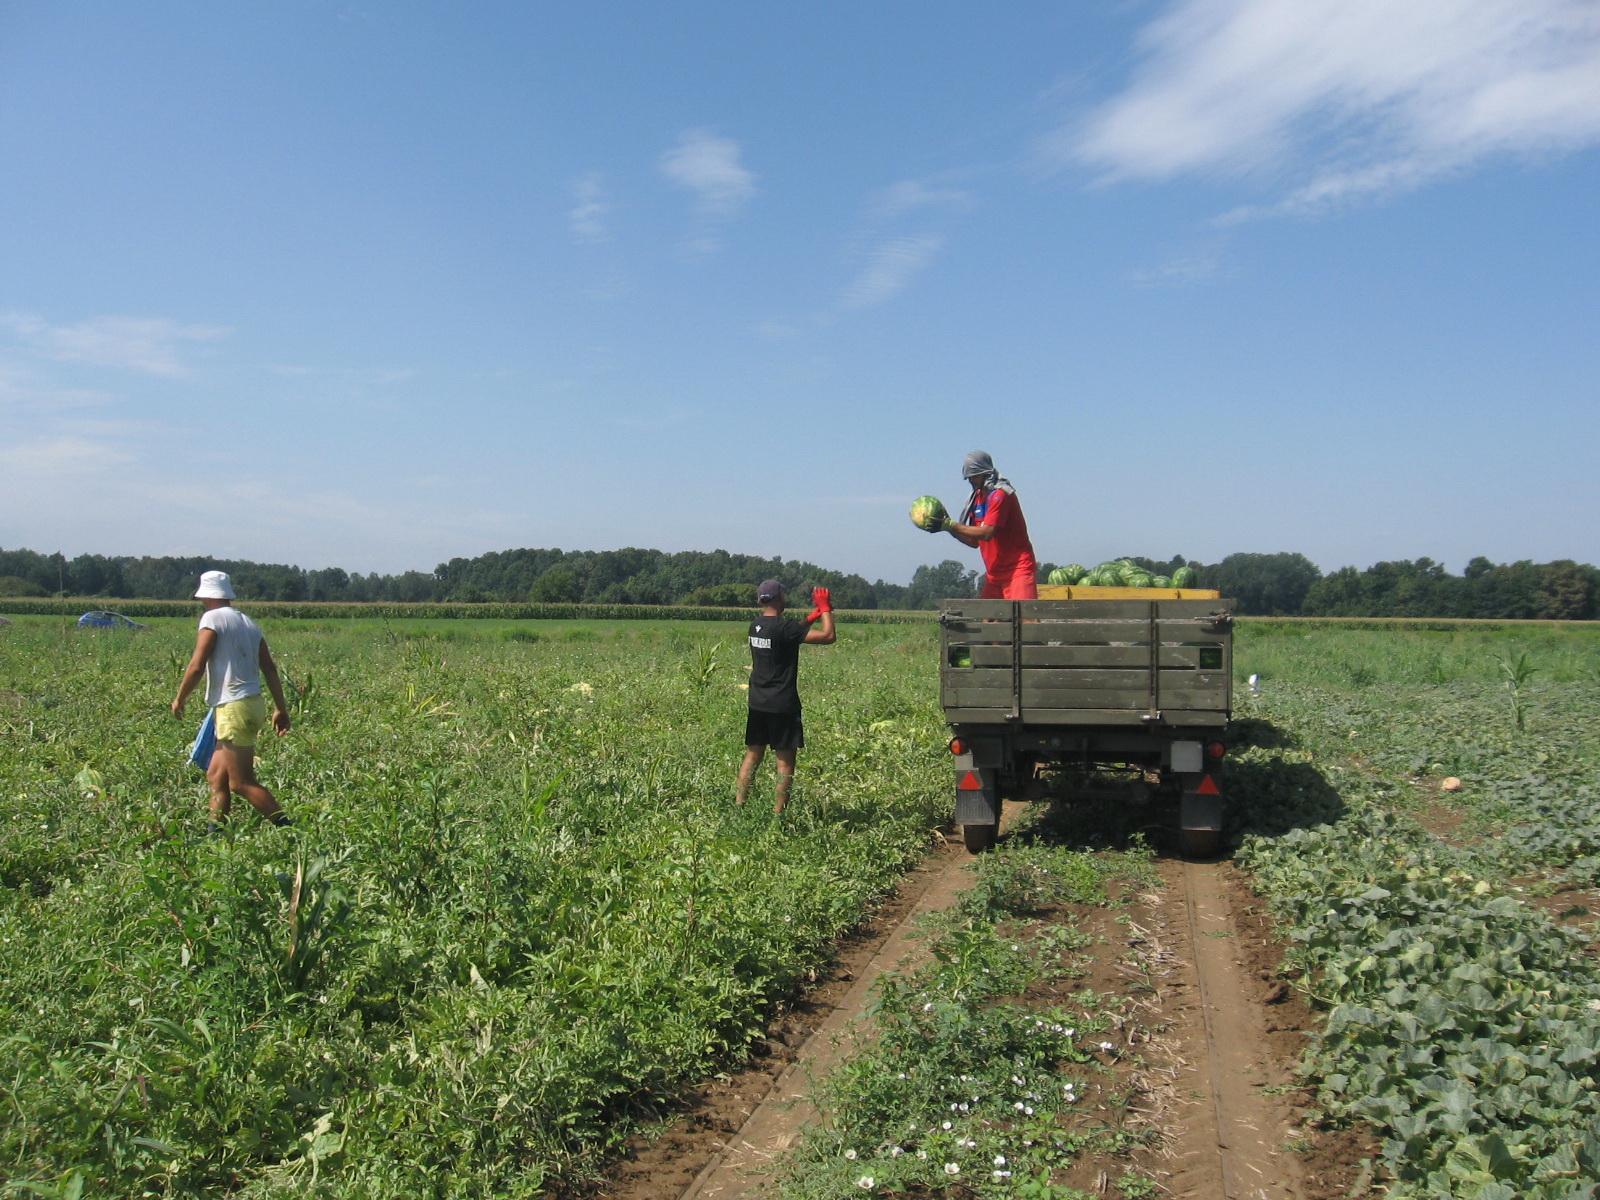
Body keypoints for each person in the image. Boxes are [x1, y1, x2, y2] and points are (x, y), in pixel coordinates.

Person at [171, 570, 293, 832]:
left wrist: (180, 698)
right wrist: (280, 708)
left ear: (206, 595)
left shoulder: (212, 619)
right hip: (251, 704)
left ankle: (291, 830)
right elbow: (269, 668)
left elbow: (196, 665)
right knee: (217, 776)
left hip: (233, 708)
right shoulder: (249, 623)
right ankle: (214, 835)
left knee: (241, 783)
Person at [735, 579, 835, 814]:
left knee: (752, 755)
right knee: (785, 763)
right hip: (782, 705)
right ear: (779, 597)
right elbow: (828, 636)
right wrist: (826, 608)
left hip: (758, 702)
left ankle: (739, 806)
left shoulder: (756, 625)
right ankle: (777, 816)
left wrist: (813, 615)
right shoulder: (784, 628)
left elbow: (788, 633)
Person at [938, 450, 1039, 599]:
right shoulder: (977, 499)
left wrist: (952, 525)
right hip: (994, 574)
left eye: (974, 476)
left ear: (985, 473)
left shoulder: (1001, 495)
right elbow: (974, 541)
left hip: (1018, 570)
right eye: (969, 477)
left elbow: (986, 533)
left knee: (1025, 620)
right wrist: (947, 528)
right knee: (988, 620)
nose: (970, 480)